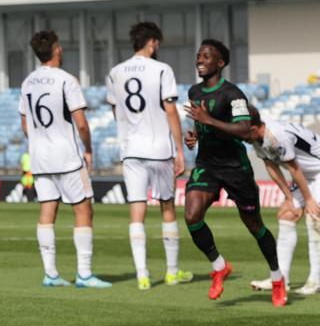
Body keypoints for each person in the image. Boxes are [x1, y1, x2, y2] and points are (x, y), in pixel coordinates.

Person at [184, 39, 286, 307]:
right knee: (192, 216)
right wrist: (195, 135)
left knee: (254, 226)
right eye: (198, 56)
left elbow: (243, 131)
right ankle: (219, 266)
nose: (200, 60)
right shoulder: (194, 91)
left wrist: (209, 121)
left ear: (220, 63)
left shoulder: (234, 95)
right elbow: (203, 126)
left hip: (234, 168)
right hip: (207, 163)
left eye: (206, 56)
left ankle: (277, 278)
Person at [18, 29, 110, 289]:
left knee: (47, 211)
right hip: (67, 157)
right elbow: (81, 123)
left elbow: (25, 125)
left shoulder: (28, 82)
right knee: (83, 210)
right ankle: (84, 274)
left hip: (40, 158)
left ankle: (51, 274)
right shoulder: (66, 80)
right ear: (56, 49)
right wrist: (88, 149)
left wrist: (40, 140)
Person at [106, 21, 192, 290]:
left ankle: (142, 274)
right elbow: (170, 111)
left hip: (131, 150)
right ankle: (171, 272)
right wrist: (180, 150)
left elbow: (115, 110)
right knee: (167, 207)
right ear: (152, 42)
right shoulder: (162, 69)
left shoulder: (115, 72)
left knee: (137, 211)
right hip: (159, 150)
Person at [247, 107, 320, 295]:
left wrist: (309, 199)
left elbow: (293, 169)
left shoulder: (277, 136)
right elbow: (271, 166)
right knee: (286, 215)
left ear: (254, 129)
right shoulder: (255, 138)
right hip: (306, 175)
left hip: (317, 171)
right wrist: (289, 197)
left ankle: (316, 280)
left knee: (315, 219)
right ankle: (281, 279)